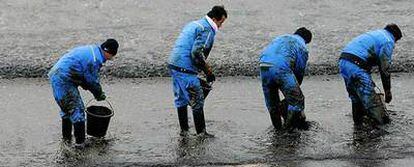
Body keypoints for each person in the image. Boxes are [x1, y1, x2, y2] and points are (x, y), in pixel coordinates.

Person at [168, 6, 227, 137]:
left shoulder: (194, 24)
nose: (221, 26)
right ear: (214, 19)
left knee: (181, 99)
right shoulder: (207, 29)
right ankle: (201, 133)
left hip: (174, 64)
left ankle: (184, 130)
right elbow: (196, 53)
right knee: (198, 99)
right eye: (221, 22)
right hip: (185, 67)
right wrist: (208, 71)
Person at [48, 39, 119, 148]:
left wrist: (88, 86)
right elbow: (91, 81)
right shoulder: (95, 59)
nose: (111, 58)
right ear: (109, 52)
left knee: (67, 110)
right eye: (112, 55)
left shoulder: (93, 50)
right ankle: (80, 144)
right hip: (63, 78)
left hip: (57, 74)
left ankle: (66, 140)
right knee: (78, 111)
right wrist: (98, 94)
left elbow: (83, 77)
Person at [339, 24, 402, 126]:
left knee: (356, 99)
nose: (394, 45)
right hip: (356, 66)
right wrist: (388, 91)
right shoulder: (388, 41)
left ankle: (358, 127)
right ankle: (379, 129)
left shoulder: (376, 34)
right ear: (395, 36)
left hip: (344, 62)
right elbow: (384, 69)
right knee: (374, 106)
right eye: (396, 41)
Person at [259, 27, 312, 130]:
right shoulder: (302, 47)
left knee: (272, 103)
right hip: (280, 68)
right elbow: (299, 73)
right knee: (297, 100)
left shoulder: (280, 38)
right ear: (306, 40)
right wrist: (292, 94)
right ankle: (288, 131)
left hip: (263, 66)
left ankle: (277, 129)